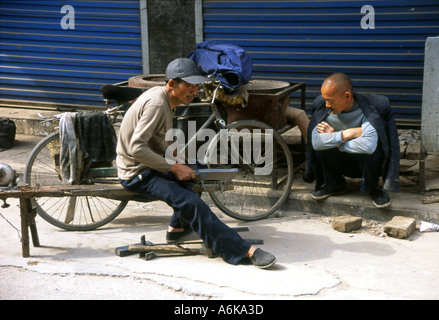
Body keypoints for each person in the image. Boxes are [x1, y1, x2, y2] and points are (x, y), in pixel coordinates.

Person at [116, 58, 276, 268]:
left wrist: (178, 155)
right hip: (138, 173)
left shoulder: (166, 100)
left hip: (150, 164)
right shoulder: (156, 103)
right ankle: (241, 250)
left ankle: (177, 230)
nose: (194, 91)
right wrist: (173, 167)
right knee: (190, 201)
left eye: (196, 86)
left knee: (196, 170)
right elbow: (136, 148)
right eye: (189, 86)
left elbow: (158, 138)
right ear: (172, 84)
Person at [304, 73, 400, 208]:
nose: (326, 104)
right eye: (325, 99)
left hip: (364, 164)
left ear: (347, 96)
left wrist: (334, 139)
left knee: (375, 147)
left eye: (330, 100)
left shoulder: (371, 107)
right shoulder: (322, 107)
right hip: (339, 160)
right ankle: (334, 184)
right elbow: (316, 142)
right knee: (323, 146)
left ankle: (372, 188)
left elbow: (368, 146)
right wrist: (348, 133)